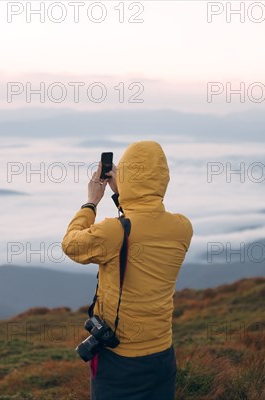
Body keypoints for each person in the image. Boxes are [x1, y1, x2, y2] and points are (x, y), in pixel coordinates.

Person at [62, 141, 193, 400]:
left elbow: (71, 245)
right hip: (162, 354)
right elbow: (140, 227)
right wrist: (123, 196)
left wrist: (91, 202)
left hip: (120, 359)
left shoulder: (114, 232)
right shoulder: (182, 227)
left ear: (127, 179)